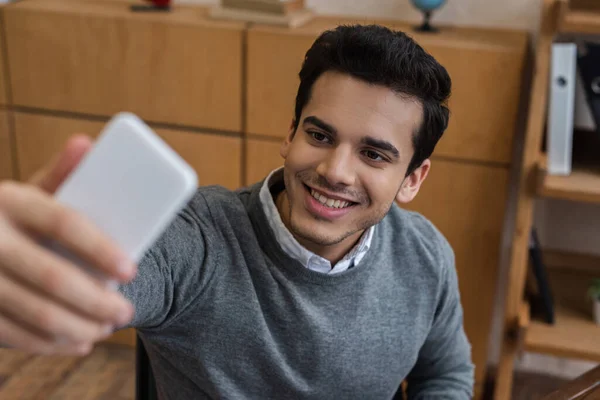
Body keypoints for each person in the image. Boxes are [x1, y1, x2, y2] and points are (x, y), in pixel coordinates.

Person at [0, 24, 474, 399]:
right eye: (320, 136)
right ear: (290, 135)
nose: (336, 172)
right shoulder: (195, 241)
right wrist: (25, 270)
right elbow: (81, 281)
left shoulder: (425, 255)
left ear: (413, 178)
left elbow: (446, 374)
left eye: (373, 155)